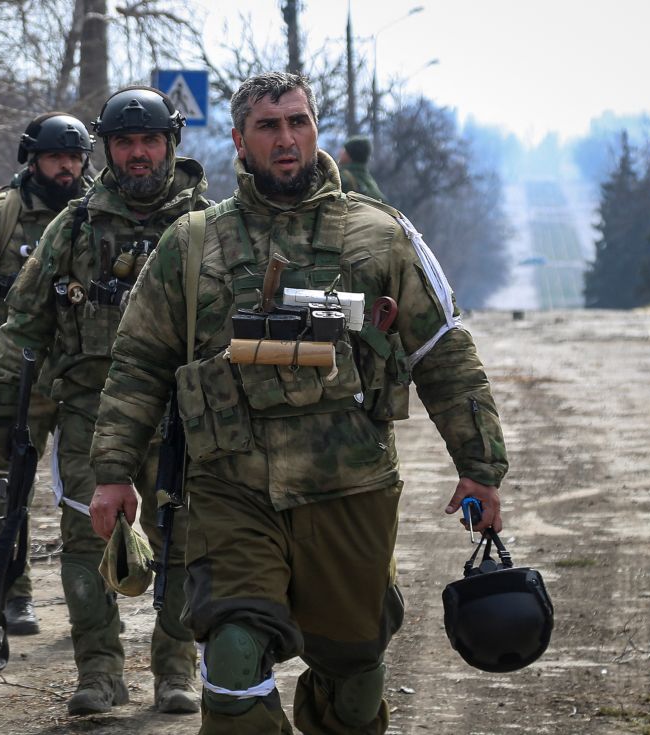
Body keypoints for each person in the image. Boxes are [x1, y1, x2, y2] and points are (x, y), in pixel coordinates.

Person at [89, 72, 508, 734]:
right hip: (231, 491)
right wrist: (112, 471)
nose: (287, 138)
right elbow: (138, 363)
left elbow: (444, 355)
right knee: (230, 656)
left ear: (315, 128)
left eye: (298, 121)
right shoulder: (193, 244)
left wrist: (480, 464)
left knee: (354, 680)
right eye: (268, 125)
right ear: (238, 140)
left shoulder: (383, 235)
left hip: (349, 489)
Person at [0, 86, 211, 716]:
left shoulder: (208, 224)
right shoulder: (76, 225)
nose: (138, 154)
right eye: (124, 143)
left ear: (171, 144)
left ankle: (176, 672)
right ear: (107, 150)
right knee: (89, 540)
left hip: (182, 416)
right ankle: (100, 671)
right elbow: (25, 321)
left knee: (183, 540)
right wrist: (11, 409)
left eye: (149, 141)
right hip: (89, 411)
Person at [0, 112, 93, 635]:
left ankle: (92, 603)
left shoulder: (100, 213)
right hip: (17, 376)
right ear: (34, 159)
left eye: (74, 157)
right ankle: (13, 594)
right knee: (12, 490)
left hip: (84, 377)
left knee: (88, 491)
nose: (67, 167)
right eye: (56, 157)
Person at [339, 134, 386, 202]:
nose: (341, 153)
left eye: (344, 150)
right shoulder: (370, 182)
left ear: (350, 155)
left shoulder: (341, 177)